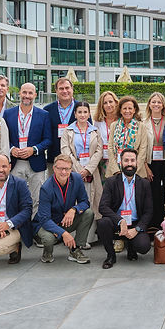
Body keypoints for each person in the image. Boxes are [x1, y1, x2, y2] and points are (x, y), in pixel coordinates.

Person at [97, 149, 153, 268]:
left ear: (137, 163)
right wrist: (120, 220)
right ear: (120, 163)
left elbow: (148, 212)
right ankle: (111, 256)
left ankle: (132, 248)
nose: (129, 164)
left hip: (134, 223)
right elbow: (103, 207)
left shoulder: (144, 184)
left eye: (132, 160)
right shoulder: (111, 182)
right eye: (126, 160)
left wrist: (137, 229)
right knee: (102, 223)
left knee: (144, 247)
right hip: (117, 222)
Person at [3, 82, 52, 217]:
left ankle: (34, 227)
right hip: (15, 162)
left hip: (36, 163)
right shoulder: (8, 114)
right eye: (24, 92)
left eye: (30, 93)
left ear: (35, 95)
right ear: (20, 93)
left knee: (37, 198)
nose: (27, 96)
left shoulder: (44, 115)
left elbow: (48, 139)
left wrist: (34, 149)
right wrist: (11, 148)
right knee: (14, 197)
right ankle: (17, 226)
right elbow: (3, 137)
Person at [34, 154, 93, 264]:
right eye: (60, 168)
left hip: (66, 219)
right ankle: (47, 252)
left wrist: (74, 209)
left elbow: (85, 202)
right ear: (54, 169)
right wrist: (64, 234)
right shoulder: (46, 188)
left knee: (88, 213)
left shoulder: (77, 179)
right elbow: (44, 219)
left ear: (71, 169)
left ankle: (75, 250)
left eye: (67, 169)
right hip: (48, 223)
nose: (64, 172)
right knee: (48, 238)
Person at [60, 100, 103, 245]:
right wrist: (78, 170)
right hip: (74, 173)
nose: (82, 115)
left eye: (85, 112)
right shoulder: (68, 131)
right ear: (75, 114)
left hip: (92, 172)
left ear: (89, 114)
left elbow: (99, 151)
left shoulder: (95, 131)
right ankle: (73, 239)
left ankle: (89, 238)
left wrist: (88, 170)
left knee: (91, 203)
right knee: (75, 203)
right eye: (80, 112)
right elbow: (65, 151)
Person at [109, 95, 150, 179]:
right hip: (116, 170)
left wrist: (133, 170)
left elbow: (142, 149)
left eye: (130, 108)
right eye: (124, 108)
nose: (127, 111)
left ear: (134, 110)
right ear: (120, 110)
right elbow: (110, 148)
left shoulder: (141, 126)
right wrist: (116, 170)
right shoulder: (114, 125)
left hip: (136, 171)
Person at [143, 92, 165, 224]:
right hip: (151, 163)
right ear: (149, 104)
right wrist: (146, 167)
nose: (156, 104)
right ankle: (153, 224)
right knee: (153, 193)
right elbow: (141, 147)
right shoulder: (143, 123)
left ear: (163, 105)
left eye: (159, 102)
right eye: (153, 102)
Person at [43, 76, 79, 164]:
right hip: (54, 158)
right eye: (61, 88)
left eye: (67, 88)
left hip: (77, 158)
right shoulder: (47, 110)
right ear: (56, 91)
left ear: (72, 89)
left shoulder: (81, 107)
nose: (65, 91)